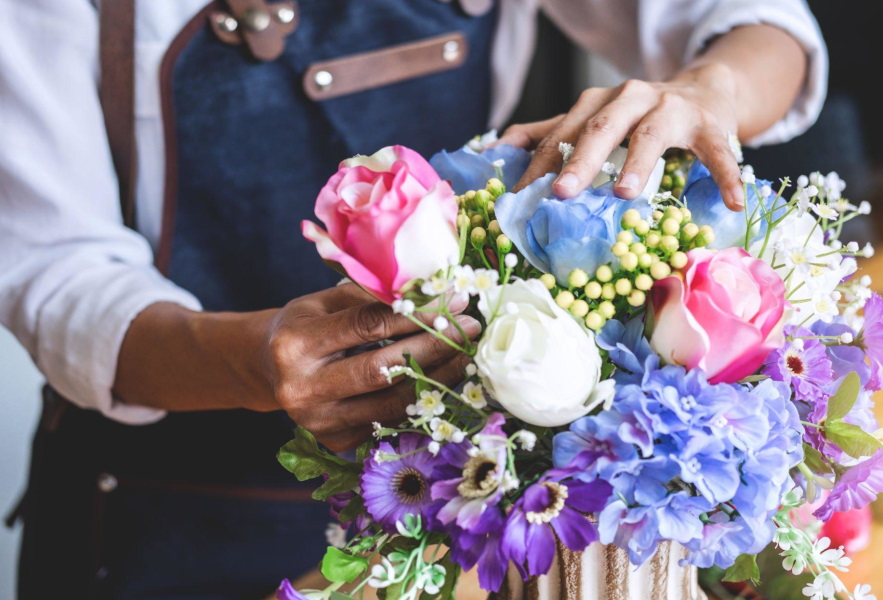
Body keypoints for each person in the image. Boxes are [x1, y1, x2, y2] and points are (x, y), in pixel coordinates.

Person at [0, 0, 826, 598]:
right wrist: (253, 364)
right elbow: (54, 271)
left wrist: (711, 88)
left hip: (439, 524)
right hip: (157, 525)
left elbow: (761, 26)